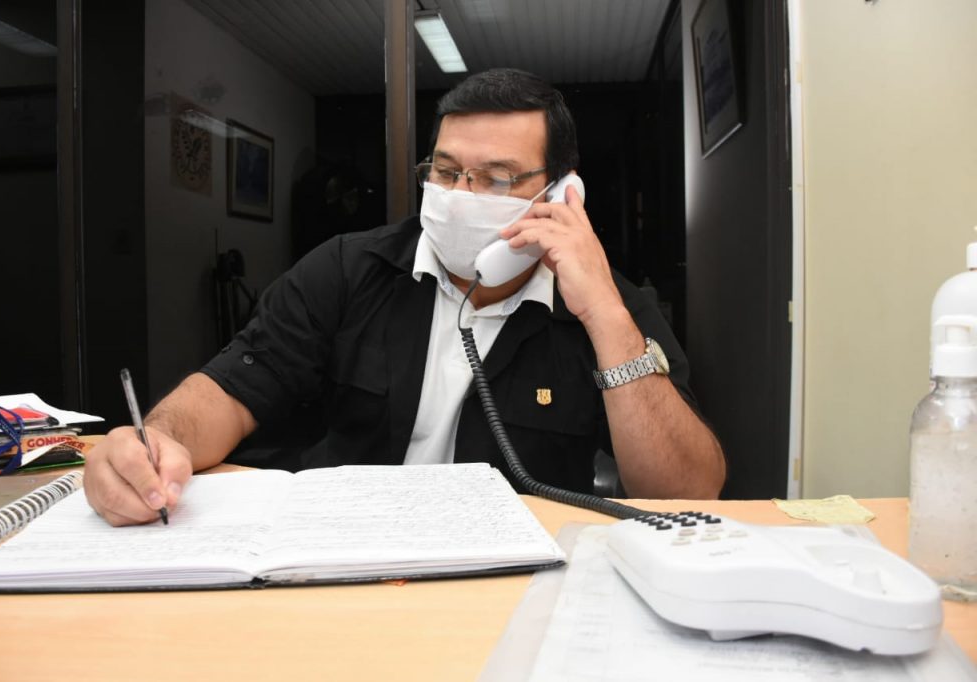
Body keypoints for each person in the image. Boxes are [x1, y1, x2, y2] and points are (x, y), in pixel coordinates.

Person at [85, 68, 725, 526]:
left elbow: (688, 492)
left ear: (560, 192)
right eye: (446, 171)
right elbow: (231, 389)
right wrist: (156, 441)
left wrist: (605, 316)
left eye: (496, 178)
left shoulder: (609, 305)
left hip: (516, 576)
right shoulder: (347, 267)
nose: (460, 194)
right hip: (343, 552)